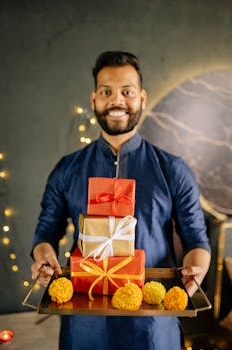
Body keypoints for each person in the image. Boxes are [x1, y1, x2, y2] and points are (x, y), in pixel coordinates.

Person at [31, 51, 211, 350]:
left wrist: (195, 271)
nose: (117, 101)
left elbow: (197, 242)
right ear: (93, 99)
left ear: (141, 98)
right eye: (106, 92)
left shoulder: (172, 169)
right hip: (84, 325)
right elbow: (45, 234)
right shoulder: (68, 169)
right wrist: (43, 257)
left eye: (127, 91)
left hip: (154, 326)